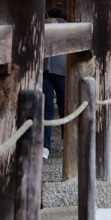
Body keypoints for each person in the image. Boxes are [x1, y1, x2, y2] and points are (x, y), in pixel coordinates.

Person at [43, 8, 67, 159]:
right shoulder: (68, 26)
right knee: (65, 106)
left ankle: (45, 147)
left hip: (44, 69)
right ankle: (66, 141)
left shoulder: (42, 25)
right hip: (62, 69)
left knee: (46, 109)